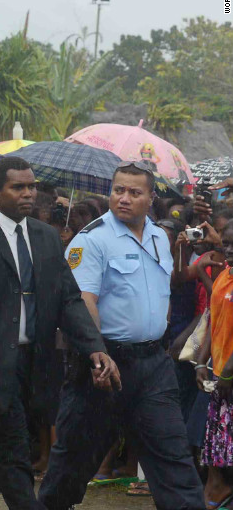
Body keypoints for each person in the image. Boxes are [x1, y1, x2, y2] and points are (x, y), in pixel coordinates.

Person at [0, 157, 119, 510]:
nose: (28, 194)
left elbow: (69, 300)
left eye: (32, 187)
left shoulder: (45, 238)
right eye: (18, 187)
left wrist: (93, 348)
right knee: (14, 462)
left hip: (35, 367)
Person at [39, 162, 204, 510]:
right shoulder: (92, 239)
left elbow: (160, 289)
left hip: (153, 367)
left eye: (134, 192)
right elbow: (83, 303)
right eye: (118, 190)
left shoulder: (161, 237)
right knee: (72, 463)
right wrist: (97, 354)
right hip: (102, 364)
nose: (124, 198)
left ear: (151, 197)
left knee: (174, 459)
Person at [197, 222, 233, 509]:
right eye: (227, 244)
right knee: (218, 439)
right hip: (219, 371)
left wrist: (228, 373)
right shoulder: (225, 276)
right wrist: (201, 362)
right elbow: (214, 316)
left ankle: (218, 491)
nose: (229, 250)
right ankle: (216, 489)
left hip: (229, 373)